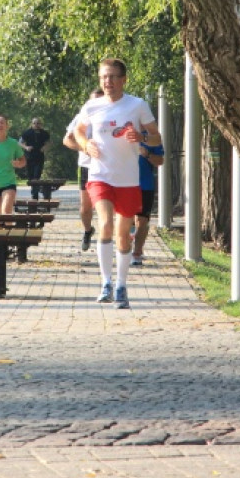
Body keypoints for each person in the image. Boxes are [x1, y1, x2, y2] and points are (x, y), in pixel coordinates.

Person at [74, 59, 161, 309]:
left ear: (124, 79)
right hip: (100, 176)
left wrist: (142, 137)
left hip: (128, 180)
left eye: (112, 77)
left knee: (123, 236)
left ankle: (121, 285)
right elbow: (79, 131)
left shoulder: (137, 105)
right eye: (103, 77)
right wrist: (85, 144)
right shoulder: (92, 106)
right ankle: (105, 283)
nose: (107, 82)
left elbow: (157, 138)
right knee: (105, 224)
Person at [64, 88, 104, 251]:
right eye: (93, 100)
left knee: (105, 205)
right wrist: (84, 148)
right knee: (85, 207)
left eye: (100, 100)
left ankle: (106, 237)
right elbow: (66, 140)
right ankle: (88, 230)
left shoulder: (113, 116)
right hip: (87, 166)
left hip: (106, 166)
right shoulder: (81, 118)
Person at [131, 132, 165, 266]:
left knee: (142, 220)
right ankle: (125, 247)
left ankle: (137, 253)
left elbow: (160, 161)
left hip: (145, 184)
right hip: (124, 183)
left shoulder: (151, 136)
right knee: (126, 219)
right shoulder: (120, 131)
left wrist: (147, 154)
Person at [19, 117, 51, 199]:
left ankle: (35, 194)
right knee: (30, 177)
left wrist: (44, 147)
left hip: (39, 157)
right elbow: (20, 143)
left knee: (37, 176)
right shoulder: (27, 133)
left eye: (38, 123)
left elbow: (49, 143)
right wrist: (26, 147)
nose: (36, 125)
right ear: (31, 124)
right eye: (34, 123)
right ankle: (35, 191)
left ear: (41, 124)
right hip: (29, 157)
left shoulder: (44, 133)